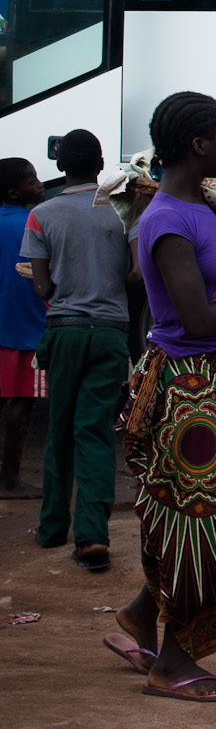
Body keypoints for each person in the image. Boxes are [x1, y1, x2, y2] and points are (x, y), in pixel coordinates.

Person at [111, 92, 216, 701]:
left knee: (191, 514)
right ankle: (172, 665)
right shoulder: (167, 218)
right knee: (199, 522)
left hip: (204, 383)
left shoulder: (200, 204)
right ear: (199, 146)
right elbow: (198, 320)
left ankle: (140, 619)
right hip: (183, 387)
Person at [23, 130, 131, 571]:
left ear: (60, 167)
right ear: (101, 164)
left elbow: (43, 285)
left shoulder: (41, 213)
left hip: (63, 331)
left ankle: (52, 529)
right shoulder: (124, 213)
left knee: (59, 430)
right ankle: (92, 536)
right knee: (96, 430)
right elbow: (139, 274)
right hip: (110, 333)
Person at [0, 158, 47, 500]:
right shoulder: (34, 223)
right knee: (22, 401)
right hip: (28, 326)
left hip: (4, 326)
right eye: (32, 180)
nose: (40, 183)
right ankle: (10, 479)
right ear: (16, 192)